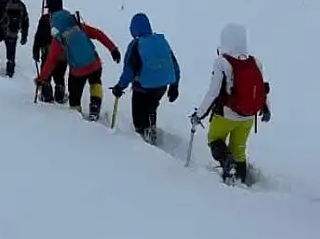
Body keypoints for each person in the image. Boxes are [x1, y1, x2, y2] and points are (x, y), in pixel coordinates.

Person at [189, 23, 271, 184]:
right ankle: (241, 181)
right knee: (239, 148)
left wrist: (199, 115)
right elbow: (262, 88)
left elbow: (213, 92)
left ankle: (227, 164)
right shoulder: (255, 62)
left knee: (214, 139)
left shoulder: (222, 62)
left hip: (226, 115)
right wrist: (266, 108)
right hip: (248, 116)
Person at [35, 10, 120, 121]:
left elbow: (50, 62)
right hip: (94, 64)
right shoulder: (80, 27)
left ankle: (76, 116)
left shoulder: (59, 40)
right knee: (95, 83)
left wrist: (41, 79)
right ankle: (95, 107)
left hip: (77, 71)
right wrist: (113, 49)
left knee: (74, 95)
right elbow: (99, 34)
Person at [111, 13, 181, 144]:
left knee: (138, 113)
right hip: (162, 84)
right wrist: (175, 85)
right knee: (151, 105)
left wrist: (120, 86)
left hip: (143, 86)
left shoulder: (135, 45)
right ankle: (151, 127)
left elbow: (129, 70)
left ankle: (143, 135)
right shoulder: (161, 41)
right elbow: (173, 63)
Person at [32, 0, 67, 103]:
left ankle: (46, 95)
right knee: (60, 75)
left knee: (46, 74)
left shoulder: (45, 19)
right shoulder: (67, 18)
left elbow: (38, 36)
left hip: (47, 52)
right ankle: (60, 97)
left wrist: (35, 50)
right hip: (63, 54)